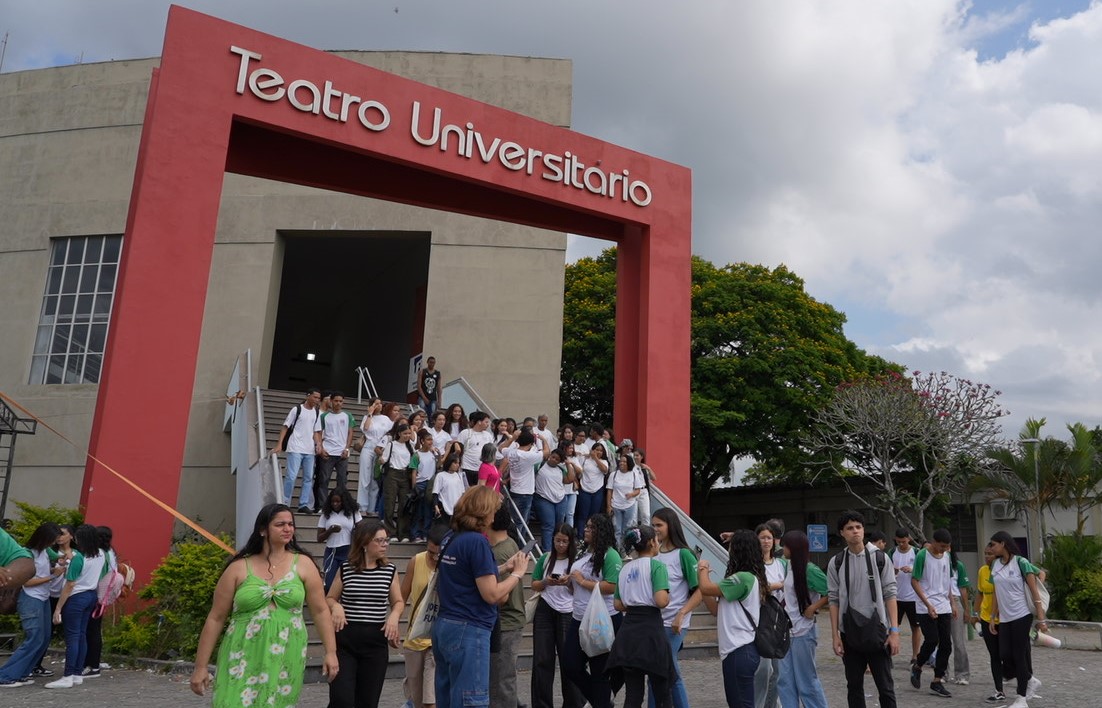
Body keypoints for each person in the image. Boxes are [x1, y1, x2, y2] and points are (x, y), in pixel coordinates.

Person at [190, 504, 338, 705]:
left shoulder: (303, 564)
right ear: (262, 530)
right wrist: (201, 666)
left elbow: (320, 611)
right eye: (280, 524)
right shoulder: (239, 568)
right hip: (241, 651)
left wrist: (330, 652)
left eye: (290, 524)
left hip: (287, 650)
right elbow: (216, 618)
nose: (287, 529)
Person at [433, 486, 529, 708]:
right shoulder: (477, 542)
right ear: (483, 512)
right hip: (470, 629)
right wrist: (517, 573)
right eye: (492, 511)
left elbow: (467, 574)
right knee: (471, 700)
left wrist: (504, 567)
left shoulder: (451, 537)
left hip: (446, 625)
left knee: (447, 698)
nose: (494, 516)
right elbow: (492, 594)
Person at [327, 519, 404, 708]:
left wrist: (394, 617)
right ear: (364, 542)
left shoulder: (389, 570)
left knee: (367, 702)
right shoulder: (346, 568)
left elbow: (398, 601)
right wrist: (336, 607)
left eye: (386, 540)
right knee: (342, 699)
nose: (384, 545)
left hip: (375, 644)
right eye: (379, 541)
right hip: (346, 641)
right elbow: (329, 598)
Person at [827, 510, 900, 708]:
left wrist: (894, 631)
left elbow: (891, 594)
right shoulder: (837, 562)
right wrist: (834, 636)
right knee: (854, 686)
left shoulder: (880, 558)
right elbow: (833, 600)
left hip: (878, 631)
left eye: (858, 527)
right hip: (849, 632)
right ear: (842, 533)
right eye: (850, 528)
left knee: (885, 687)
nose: (855, 532)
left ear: (864, 530)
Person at [607, 525, 674, 708]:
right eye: (656, 539)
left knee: (633, 694)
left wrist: (635, 599)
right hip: (651, 631)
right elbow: (661, 600)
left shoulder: (625, 568)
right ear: (652, 542)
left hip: (628, 632)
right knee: (662, 690)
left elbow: (618, 604)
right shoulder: (657, 566)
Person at [698, 529, 765, 708]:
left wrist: (702, 568)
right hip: (737, 651)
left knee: (741, 704)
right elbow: (715, 609)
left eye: (732, 547)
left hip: (739, 650)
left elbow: (705, 587)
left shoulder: (742, 578)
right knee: (738, 703)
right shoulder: (747, 578)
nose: (729, 551)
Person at [562, 513, 622, 708]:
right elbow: (577, 584)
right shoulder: (583, 552)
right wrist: (570, 582)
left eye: (591, 527)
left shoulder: (610, 554)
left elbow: (612, 586)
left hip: (601, 619)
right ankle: (601, 702)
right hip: (579, 617)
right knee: (570, 665)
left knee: (599, 672)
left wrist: (582, 581)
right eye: (586, 526)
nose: (586, 530)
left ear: (601, 531)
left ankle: (601, 702)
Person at [648, 508, 701, 708]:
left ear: (671, 525)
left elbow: (699, 591)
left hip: (675, 624)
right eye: (653, 525)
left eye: (659, 525)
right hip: (653, 622)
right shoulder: (653, 554)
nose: (655, 529)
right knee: (653, 672)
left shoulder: (685, 554)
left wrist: (682, 613)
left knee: (670, 670)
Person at [988, 530, 1046, 708]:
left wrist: (1041, 618)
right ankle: (1029, 679)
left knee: (1019, 655)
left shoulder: (1021, 563)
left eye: (993, 544)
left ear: (1003, 544)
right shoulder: (995, 565)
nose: (991, 548)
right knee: (1004, 654)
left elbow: (1035, 590)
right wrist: (992, 616)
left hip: (1022, 615)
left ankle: (1021, 699)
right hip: (1005, 618)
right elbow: (996, 593)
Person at [530, 524, 585, 708]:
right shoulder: (545, 558)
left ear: (571, 542)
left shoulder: (577, 562)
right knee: (542, 660)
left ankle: (573, 703)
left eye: (564, 541)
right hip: (546, 608)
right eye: (557, 540)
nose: (560, 545)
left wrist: (568, 583)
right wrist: (547, 581)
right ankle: (541, 704)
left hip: (568, 611)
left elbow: (581, 589)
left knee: (569, 660)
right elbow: (534, 584)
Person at [0, 523, 60, 688]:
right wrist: (51, 577)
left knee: (44, 638)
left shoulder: (46, 552)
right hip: (31, 597)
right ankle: (5, 675)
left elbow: (62, 557)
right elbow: (28, 580)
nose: (55, 543)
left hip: (44, 597)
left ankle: (22, 672)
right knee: (34, 638)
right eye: (53, 540)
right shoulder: (30, 554)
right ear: (44, 538)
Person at [45, 524, 104, 689]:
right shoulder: (100, 554)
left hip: (76, 597)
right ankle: (77, 673)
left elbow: (70, 585)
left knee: (72, 638)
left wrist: (58, 608)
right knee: (81, 635)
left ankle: (68, 675)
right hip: (91, 595)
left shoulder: (79, 558)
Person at [775, 530, 829, 708]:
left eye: (786, 545)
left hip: (804, 631)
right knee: (785, 680)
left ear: (794, 548)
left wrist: (813, 607)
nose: (783, 548)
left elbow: (833, 591)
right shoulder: (787, 565)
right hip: (787, 631)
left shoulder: (810, 570)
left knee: (806, 681)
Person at [401, 523, 448, 708]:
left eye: (439, 553)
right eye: (431, 552)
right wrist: (393, 620)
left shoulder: (451, 564)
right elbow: (401, 596)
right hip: (415, 638)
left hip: (436, 641)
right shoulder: (416, 561)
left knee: (431, 702)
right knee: (417, 700)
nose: (435, 557)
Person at [909, 527, 955, 697]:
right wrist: (927, 604)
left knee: (946, 645)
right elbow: (914, 581)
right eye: (942, 546)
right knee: (932, 640)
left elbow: (948, 581)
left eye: (946, 546)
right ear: (934, 542)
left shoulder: (947, 556)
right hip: (924, 605)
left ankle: (937, 680)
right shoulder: (922, 555)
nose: (944, 549)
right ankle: (918, 665)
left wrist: (953, 604)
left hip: (943, 605)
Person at [488, 506, 526, 708]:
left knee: (501, 681)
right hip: (509, 622)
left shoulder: (500, 552)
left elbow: (501, 596)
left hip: (506, 623)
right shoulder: (510, 543)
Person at [271, 387, 323, 513]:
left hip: (309, 449)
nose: (316, 400)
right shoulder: (297, 409)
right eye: (315, 397)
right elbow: (285, 427)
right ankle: (285, 502)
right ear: (308, 396)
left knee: (308, 478)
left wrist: (318, 444)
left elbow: (316, 431)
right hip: (295, 446)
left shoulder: (317, 412)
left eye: (318, 398)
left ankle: (303, 504)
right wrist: (280, 444)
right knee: (291, 476)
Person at [753, 522, 787, 708]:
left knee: (777, 671)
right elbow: (755, 589)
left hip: (777, 620)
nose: (766, 541)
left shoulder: (780, 564)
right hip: (759, 619)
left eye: (769, 538)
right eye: (762, 538)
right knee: (763, 670)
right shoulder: (753, 565)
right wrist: (777, 585)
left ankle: (772, 704)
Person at [83, 525, 118, 678]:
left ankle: (92, 664)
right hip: (104, 596)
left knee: (91, 630)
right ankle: (93, 663)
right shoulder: (111, 552)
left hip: (95, 594)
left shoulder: (99, 554)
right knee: (95, 630)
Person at [974, 543, 1005, 704]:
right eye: (985, 554)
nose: (987, 557)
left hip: (1005, 619)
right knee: (994, 655)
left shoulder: (1003, 571)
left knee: (1007, 654)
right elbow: (980, 593)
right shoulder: (982, 571)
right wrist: (974, 613)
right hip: (987, 619)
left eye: (990, 554)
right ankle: (999, 690)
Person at [314, 391, 355, 509]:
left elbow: (350, 433)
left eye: (340, 401)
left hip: (342, 453)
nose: (338, 403)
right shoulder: (324, 416)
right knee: (324, 480)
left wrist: (347, 448)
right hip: (328, 452)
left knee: (342, 481)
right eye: (336, 401)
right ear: (331, 401)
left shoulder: (348, 415)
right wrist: (321, 448)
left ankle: (342, 505)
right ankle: (322, 506)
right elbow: (319, 432)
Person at [500, 429, 547, 529]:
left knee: (516, 519)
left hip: (514, 490)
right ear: (530, 443)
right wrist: (544, 440)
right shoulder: (528, 456)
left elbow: (501, 448)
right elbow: (547, 453)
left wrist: (513, 438)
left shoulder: (511, 452)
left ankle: (517, 541)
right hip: (525, 492)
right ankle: (518, 543)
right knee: (521, 522)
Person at [317, 489, 362, 591]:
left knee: (347, 583)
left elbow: (361, 530)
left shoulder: (353, 512)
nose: (335, 504)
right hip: (331, 551)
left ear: (344, 501)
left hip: (348, 550)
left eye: (338, 501)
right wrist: (330, 530)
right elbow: (319, 538)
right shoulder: (326, 514)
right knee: (328, 583)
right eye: (333, 502)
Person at [357, 398, 397, 513]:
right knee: (364, 478)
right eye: (376, 404)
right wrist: (370, 413)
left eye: (380, 404)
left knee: (375, 479)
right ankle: (362, 507)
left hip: (381, 448)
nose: (379, 405)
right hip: (368, 447)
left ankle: (371, 507)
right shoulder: (367, 417)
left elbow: (391, 432)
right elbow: (366, 428)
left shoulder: (386, 419)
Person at [889, 528, 922, 662]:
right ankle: (889, 655)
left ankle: (915, 655)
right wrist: (894, 571)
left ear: (909, 538)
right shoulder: (892, 552)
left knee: (916, 627)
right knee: (892, 626)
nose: (901, 544)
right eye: (899, 542)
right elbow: (886, 571)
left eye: (903, 541)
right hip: (896, 596)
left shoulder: (917, 552)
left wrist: (912, 569)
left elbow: (923, 570)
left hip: (913, 597)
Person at [380, 422, 417, 541]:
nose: (407, 436)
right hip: (392, 473)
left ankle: (403, 533)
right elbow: (384, 459)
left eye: (409, 434)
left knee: (404, 505)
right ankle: (391, 532)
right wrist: (380, 461)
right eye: (405, 433)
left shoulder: (410, 446)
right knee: (390, 504)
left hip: (405, 475)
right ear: (399, 433)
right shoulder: (392, 444)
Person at [532, 448, 573, 552]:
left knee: (559, 526)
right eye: (553, 457)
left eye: (557, 459)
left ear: (560, 461)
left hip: (560, 499)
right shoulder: (540, 465)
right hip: (543, 499)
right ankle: (547, 552)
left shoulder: (560, 469)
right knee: (548, 525)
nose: (553, 460)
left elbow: (569, 479)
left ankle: (556, 549)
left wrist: (568, 464)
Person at [606, 449, 644, 541]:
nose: (621, 463)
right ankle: (618, 548)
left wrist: (631, 494)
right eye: (621, 461)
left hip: (629, 505)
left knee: (627, 528)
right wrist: (609, 506)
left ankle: (625, 547)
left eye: (624, 461)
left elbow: (638, 490)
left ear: (629, 463)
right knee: (617, 528)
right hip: (616, 505)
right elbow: (609, 491)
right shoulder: (613, 475)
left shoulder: (634, 475)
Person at [948, 544, 972, 686]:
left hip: (955, 601)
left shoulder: (958, 566)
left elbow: (963, 588)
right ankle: (942, 672)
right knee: (942, 642)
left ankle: (962, 673)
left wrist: (967, 609)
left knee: (958, 641)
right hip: (939, 602)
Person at [575, 442, 609, 535]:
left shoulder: (604, 461)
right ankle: (581, 537)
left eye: (601, 450)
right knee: (583, 515)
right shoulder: (585, 460)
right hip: (584, 490)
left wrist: (596, 458)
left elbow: (605, 470)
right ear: (592, 450)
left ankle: (592, 536)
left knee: (594, 516)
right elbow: (578, 471)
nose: (598, 452)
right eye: (596, 449)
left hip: (597, 491)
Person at [412, 429, 438, 542]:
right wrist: (414, 486)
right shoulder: (417, 454)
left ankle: (425, 533)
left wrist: (440, 455)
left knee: (428, 510)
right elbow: (413, 471)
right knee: (418, 510)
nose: (430, 442)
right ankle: (416, 533)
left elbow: (439, 465)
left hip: (431, 484)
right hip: (420, 483)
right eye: (428, 439)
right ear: (422, 441)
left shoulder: (432, 453)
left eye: (431, 439)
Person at [432, 453, 466, 525]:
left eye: (458, 463)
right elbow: (435, 492)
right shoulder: (441, 476)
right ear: (449, 462)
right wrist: (436, 506)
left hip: (457, 510)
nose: (457, 465)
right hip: (445, 509)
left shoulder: (458, 476)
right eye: (455, 463)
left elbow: (462, 492)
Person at [633, 449, 655, 525]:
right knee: (634, 517)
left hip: (643, 491)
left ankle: (646, 534)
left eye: (637, 455)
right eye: (634, 455)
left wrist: (648, 468)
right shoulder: (631, 467)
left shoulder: (644, 468)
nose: (635, 457)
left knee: (646, 515)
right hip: (634, 491)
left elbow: (654, 478)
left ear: (641, 457)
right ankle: (634, 534)